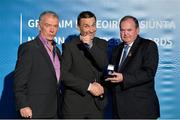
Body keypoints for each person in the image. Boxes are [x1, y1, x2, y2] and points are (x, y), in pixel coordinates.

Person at [106, 15, 160, 118]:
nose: (125, 34)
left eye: (129, 30)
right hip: (119, 110)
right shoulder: (116, 50)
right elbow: (110, 70)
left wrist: (124, 78)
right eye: (122, 30)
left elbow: (148, 73)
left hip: (141, 110)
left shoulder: (148, 46)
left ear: (137, 30)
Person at [14, 11, 62, 118]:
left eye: (55, 26)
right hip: (35, 111)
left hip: (55, 111)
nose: (52, 29)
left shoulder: (57, 50)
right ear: (39, 26)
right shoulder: (29, 48)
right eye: (48, 25)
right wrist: (23, 105)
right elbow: (19, 81)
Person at [61, 11, 108, 118]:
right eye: (86, 26)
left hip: (96, 106)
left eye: (93, 25)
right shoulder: (69, 46)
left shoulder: (102, 44)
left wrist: (91, 46)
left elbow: (103, 65)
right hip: (75, 107)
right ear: (78, 27)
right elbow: (63, 75)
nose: (91, 30)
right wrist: (89, 87)